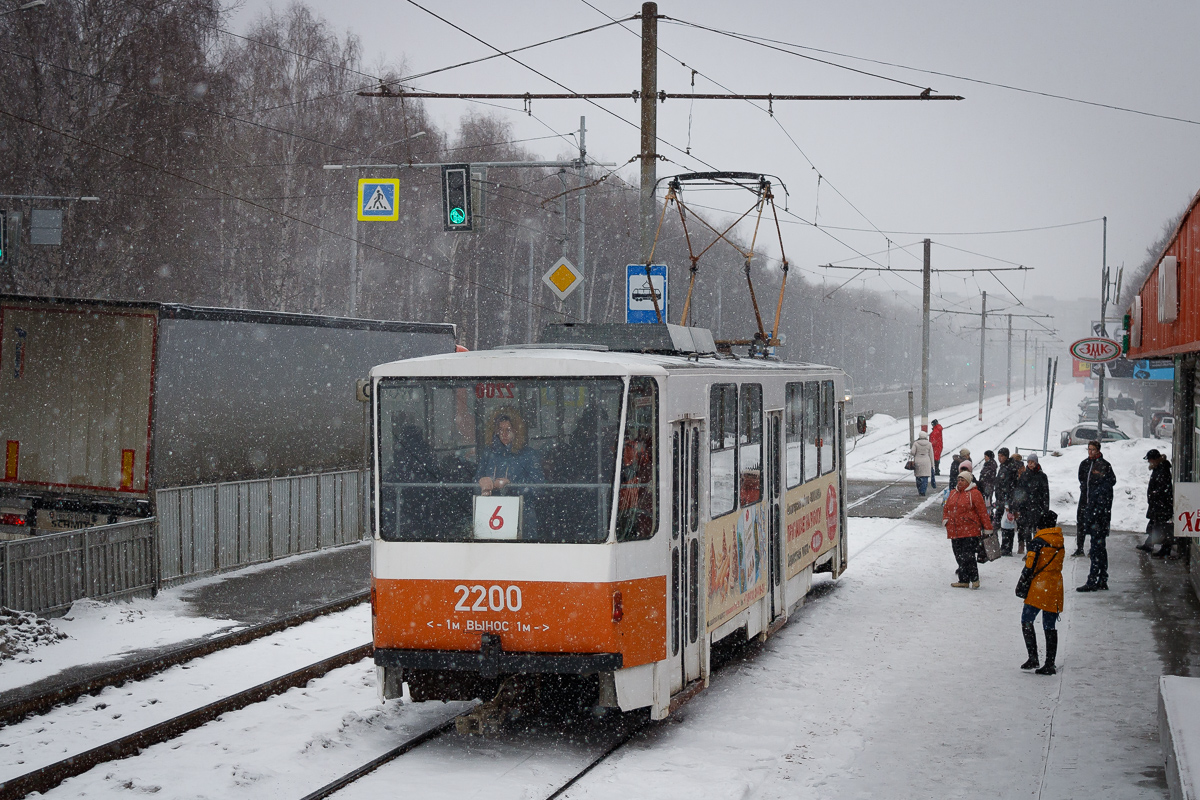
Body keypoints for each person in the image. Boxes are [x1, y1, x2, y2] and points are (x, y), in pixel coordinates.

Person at [477, 409, 545, 535]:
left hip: (522, 515)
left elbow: (539, 486)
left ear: (516, 431)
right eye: (500, 430)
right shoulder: (489, 453)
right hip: (490, 516)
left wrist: (511, 485)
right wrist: (482, 483)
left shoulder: (528, 455)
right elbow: (475, 482)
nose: (504, 434)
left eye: (508, 430)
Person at [1019, 509, 1066, 675]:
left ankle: (1033, 657)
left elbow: (1030, 566)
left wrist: (1022, 581)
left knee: (1027, 619)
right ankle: (1049, 663)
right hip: (1056, 585)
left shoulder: (1038, 541)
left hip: (1040, 585)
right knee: (1049, 624)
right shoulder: (1059, 540)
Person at [1076, 440, 1117, 592]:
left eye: (1093, 449)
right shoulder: (1085, 464)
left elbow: (1109, 484)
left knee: (1097, 546)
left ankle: (1094, 578)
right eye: (1089, 449)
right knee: (1098, 546)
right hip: (1089, 509)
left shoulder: (1104, 466)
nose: (1090, 452)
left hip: (1099, 513)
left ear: (1098, 450)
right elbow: (1082, 482)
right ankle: (1101, 577)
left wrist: (1098, 500)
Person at [943, 471, 992, 589]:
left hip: (970, 530)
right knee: (958, 555)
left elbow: (982, 512)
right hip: (955, 530)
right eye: (959, 479)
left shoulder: (975, 494)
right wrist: (946, 519)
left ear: (968, 481)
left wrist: (987, 528)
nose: (960, 482)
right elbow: (947, 508)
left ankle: (974, 578)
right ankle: (963, 579)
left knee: (968, 556)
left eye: (962, 480)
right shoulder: (953, 493)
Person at [1139, 449, 1175, 557]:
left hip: (1161, 504)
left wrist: (1155, 496)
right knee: (1156, 525)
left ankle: (1164, 549)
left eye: (1150, 459)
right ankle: (1150, 545)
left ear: (1155, 459)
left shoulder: (1162, 470)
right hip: (1158, 504)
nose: (1149, 462)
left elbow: (1162, 488)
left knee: (1162, 527)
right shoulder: (1159, 468)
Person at [1012, 452, 1050, 556]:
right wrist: (1017, 506)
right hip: (1026, 507)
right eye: (1029, 462)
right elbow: (1019, 492)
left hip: (1037, 507)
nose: (1030, 464)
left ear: (1036, 463)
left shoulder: (1042, 476)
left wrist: (1045, 509)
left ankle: (1036, 552)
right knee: (1027, 531)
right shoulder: (1024, 475)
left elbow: (1045, 494)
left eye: (1032, 462)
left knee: (1037, 531)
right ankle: (1030, 553)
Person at [998, 454, 1024, 556]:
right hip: (1012, 501)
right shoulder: (1012, 469)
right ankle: (1011, 546)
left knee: (1007, 525)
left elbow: (1008, 486)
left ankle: (1006, 547)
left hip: (1010, 501)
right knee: (1011, 525)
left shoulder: (1010, 469)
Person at [993, 447, 1018, 532]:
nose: (999, 458)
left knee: (1005, 526)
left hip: (1006, 501)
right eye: (998, 456)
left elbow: (1009, 486)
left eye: (1001, 456)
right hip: (1001, 500)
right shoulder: (1003, 467)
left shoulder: (1009, 468)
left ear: (1006, 456)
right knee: (999, 524)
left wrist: (1007, 501)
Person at [911, 431, 935, 496]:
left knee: (918, 476)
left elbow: (912, 452)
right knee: (925, 477)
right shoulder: (929, 444)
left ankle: (919, 489)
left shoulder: (916, 443)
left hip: (918, 461)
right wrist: (932, 465)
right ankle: (923, 490)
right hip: (926, 461)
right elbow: (931, 455)